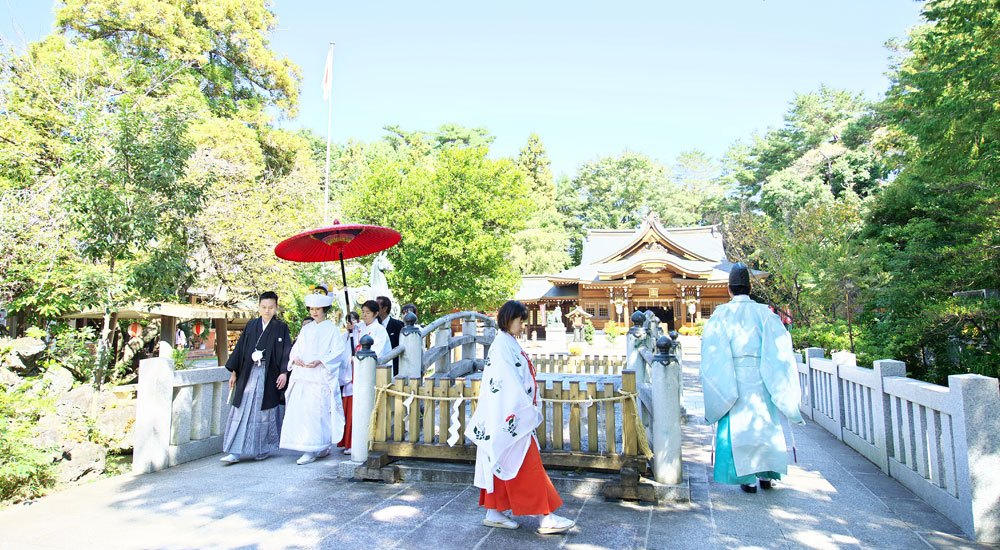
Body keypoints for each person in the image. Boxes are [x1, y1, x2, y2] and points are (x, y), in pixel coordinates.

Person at [466, 300, 575, 535]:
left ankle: (493, 511)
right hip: (510, 416)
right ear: (508, 318)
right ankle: (545, 517)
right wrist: (525, 408)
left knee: (500, 460)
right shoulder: (502, 345)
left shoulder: (507, 343)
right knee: (527, 464)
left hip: (509, 414)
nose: (523, 324)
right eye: (520, 320)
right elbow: (505, 382)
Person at [699, 263, 805, 493]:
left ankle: (746, 478)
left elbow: (712, 353)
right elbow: (780, 350)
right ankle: (767, 474)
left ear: (729, 289)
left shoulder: (722, 315)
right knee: (765, 423)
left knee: (738, 424)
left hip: (732, 376)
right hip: (762, 375)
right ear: (749, 288)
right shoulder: (765, 314)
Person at [221, 291, 291, 464]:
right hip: (248, 372)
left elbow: (286, 351)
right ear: (259, 307)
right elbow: (240, 350)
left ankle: (262, 448)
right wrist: (234, 372)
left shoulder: (280, 327)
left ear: (276, 308)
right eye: (264, 307)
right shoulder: (251, 325)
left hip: (268, 374)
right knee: (241, 409)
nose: (267, 311)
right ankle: (235, 451)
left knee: (264, 412)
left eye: (270, 307)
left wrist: (283, 372)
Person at [279, 294, 347, 465]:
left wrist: (321, 360)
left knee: (318, 412)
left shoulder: (331, 329)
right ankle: (308, 447)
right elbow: (296, 348)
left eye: (317, 309)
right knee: (304, 411)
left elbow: (338, 351)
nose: (314, 312)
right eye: (312, 309)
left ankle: (318, 446)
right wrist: (296, 359)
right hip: (303, 374)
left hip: (320, 374)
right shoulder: (306, 329)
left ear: (324, 310)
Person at [338, 311, 361, 454]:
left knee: (355, 411)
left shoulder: (360, 334)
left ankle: (353, 443)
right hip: (346, 377)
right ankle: (345, 442)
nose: (350, 323)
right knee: (345, 411)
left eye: (353, 320)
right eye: (348, 320)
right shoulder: (344, 337)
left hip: (357, 376)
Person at [376, 296, 404, 375]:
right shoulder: (373, 325)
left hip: (394, 367)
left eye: (377, 307)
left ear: (385, 309)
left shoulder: (398, 325)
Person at [359, 300, 391, 366]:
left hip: (374, 364)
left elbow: (377, 350)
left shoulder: (380, 330)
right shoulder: (358, 327)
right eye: (363, 312)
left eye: (368, 313)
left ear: (376, 314)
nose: (364, 315)